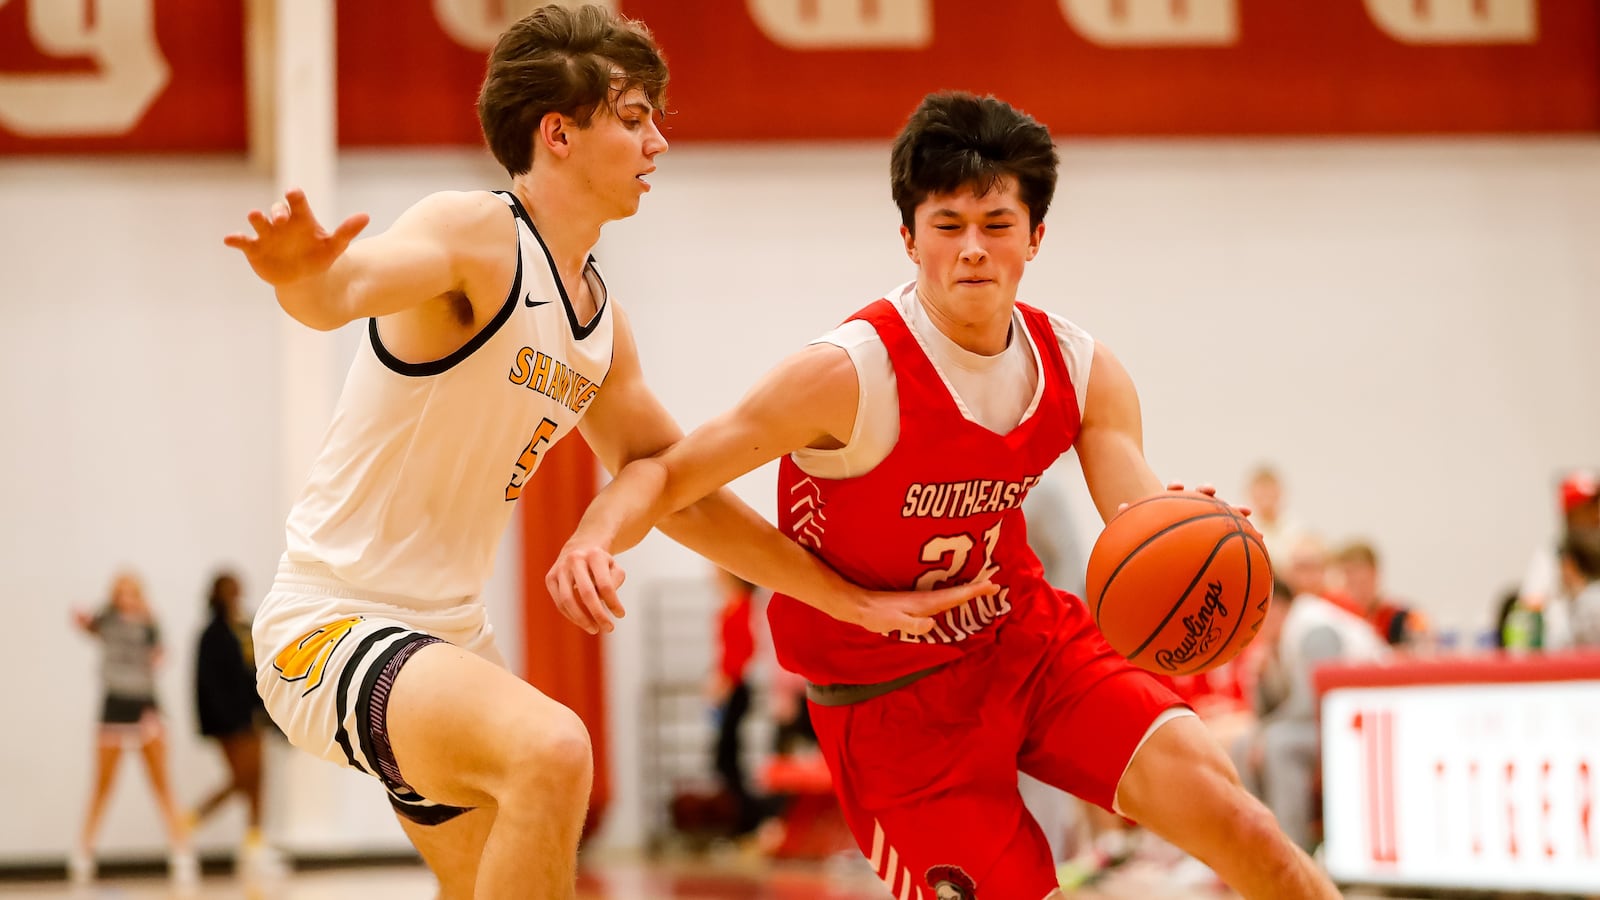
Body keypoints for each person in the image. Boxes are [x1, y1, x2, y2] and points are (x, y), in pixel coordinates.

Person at [222, 7, 986, 897]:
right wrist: (301, 276)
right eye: (633, 117)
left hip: (448, 642)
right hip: (333, 621)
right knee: (552, 749)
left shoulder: (599, 325)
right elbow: (345, 287)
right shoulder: (476, 233)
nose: (657, 141)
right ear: (558, 133)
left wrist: (844, 598)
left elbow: (678, 489)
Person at [549, 92, 1340, 899]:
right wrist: (595, 535)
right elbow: (669, 480)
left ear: (1035, 237)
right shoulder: (846, 375)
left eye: (997, 225)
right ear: (908, 238)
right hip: (892, 714)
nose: (972, 250)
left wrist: (1193, 536)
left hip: (1028, 647)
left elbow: (1139, 527)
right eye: (947, 225)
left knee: (1251, 832)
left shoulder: (1079, 368)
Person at [1237, 577, 1388, 853]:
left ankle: (1293, 852)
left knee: (1278, 746)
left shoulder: (1313, 627)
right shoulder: (1275, 642)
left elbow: (1311, 704)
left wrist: (1264, 733)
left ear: (1277, 607)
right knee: (1243, 745)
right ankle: (1256, 849)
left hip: (1367, 724)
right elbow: (1266, 713)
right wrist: (1258, 678)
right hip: (1327, 724)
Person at [70, 571, 197, 887]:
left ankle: (181, 852)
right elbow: (87, 625)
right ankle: (83, 854)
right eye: (120, 593)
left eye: (131, 592)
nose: (125, 598)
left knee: (161, 784)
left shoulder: (149, 623)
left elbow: (159, 656)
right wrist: (82, 619)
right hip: (113, 706)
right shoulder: (107, 619)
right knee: (102, 785)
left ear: (139, 594)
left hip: (144, 706)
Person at [192, 570, 284, 878]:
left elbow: (258, 671)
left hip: (251, 718)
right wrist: (221, 720)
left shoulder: (246, 625)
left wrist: (271, 718)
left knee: (256, 780)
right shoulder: (212, 634)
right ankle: (189, 821)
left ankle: (254, 846)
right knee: (243, 778)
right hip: (228, 722)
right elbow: (207, 685)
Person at [1333, 540, 1430, 650]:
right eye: (1346, 572)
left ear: (1374, 573)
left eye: (1356, 571)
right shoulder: (1339, 619)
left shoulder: (1401, 617)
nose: (1351, 579)